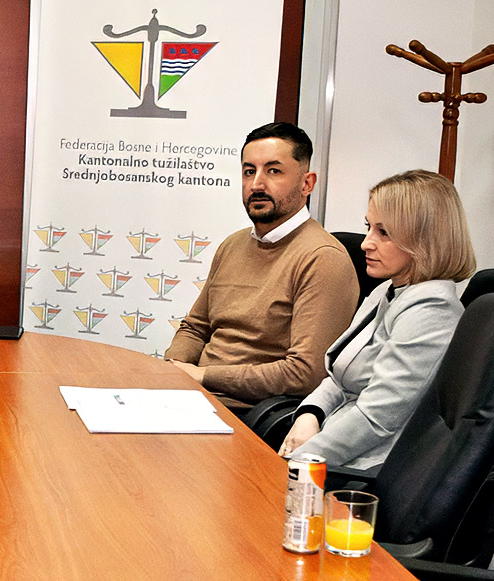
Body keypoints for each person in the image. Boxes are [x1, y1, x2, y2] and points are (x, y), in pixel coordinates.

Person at [280, 170, 475, 469]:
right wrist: (310, 414)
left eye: (384, 233)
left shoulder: (433, 311)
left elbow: (376, 420)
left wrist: (295, 464)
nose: (366, 243)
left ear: (425, 240)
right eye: (369, 227)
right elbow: (341, 376)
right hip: (329, 446)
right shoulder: (388, 290)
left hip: (363, 470)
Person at [166, 122, 359, 408]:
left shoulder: (323, 258)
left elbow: (305, 374)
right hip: (193, 399)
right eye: (249, 171)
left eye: (273, 171)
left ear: (307, 184)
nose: (256, 184)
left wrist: (203, 376)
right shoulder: (232, 245)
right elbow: (195, 328)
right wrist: (172, 371)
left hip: (247, 414)